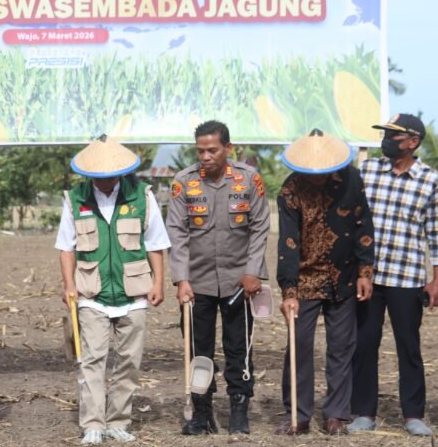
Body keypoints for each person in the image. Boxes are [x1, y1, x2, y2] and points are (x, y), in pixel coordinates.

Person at [55, 134, 168, 445]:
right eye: (97, 177)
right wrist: (68, 286)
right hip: (91, 293)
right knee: (91, 360)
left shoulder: (142, 197)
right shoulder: (75, 199)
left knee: (129, 361)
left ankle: (118, 421)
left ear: (120, 172)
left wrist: (157, 283)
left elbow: (156, 243)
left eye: (109, 176)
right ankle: (93, 423)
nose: (104, 182)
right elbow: (66, 248)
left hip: (134, 293)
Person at [166, 120, 270, 435]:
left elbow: (260, 226)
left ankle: (239, 410)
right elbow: (177, 232)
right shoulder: (183, 182)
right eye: (201, 151)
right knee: (200, 350)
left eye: (212, 150)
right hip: (197, 284)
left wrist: (253, 272)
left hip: (240, 283)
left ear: (228, 148)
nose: (206, 156)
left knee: (239, 347)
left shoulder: (248, 179)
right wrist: (181, 279)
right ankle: (202, 414)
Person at [274, 129, 374, 436]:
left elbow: (363, 227)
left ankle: (335, 415)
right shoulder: (290, 190)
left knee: (342, 347)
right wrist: (289, 291)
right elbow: (288, 242)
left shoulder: (352, 181)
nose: (318, 177)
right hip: (304, 280)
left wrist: (364, 272)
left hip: (343, 278)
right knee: (300, 345)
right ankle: (299, 415)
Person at [349, 114, 438, 437]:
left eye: (393, 136)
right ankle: (363, 411)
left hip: (408, 276)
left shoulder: (430, 180)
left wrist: (436, 279)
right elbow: (354, 218)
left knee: (408, 347)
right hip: (368, 276)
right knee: (364, 344)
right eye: (385, 134)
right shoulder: (368, 170)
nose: (387, 140)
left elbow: (435, 233)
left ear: (413, 142)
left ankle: (413, 415)